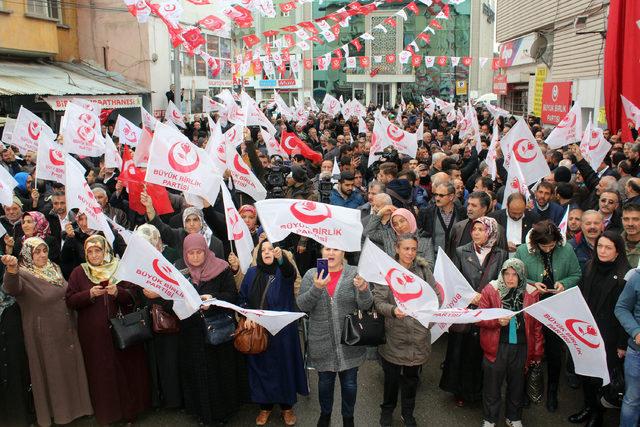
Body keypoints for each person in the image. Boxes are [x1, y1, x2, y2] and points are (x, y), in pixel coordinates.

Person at [2, 237, 93, 426]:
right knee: (54, 373)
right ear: (28, 254)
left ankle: (80, 408)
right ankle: (60, 414)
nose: (42, 255)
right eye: (37, 252)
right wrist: (11, 270)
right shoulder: (24, 274)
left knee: (71, 368)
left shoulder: (54, 268)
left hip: (67, 327)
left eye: (44, 250)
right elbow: (11, 288)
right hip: (44, 335)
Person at [66, 235, 150, 424]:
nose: (95, 255)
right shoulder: (79, 273)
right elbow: (70, 300)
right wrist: (89, 294)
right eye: (90, 251)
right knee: (101, 375)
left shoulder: (120, 267)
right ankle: (109, 415)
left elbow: (134, 296)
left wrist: (117, 293)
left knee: (127, 370)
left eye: (98, 250)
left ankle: (131, 412)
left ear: (106, 251)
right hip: (94, 337)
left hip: (122, 332)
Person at [297, 246, 373, 427]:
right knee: (324, 384)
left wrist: (363, 289)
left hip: (350, 342)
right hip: (321, 342)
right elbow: (302, 305)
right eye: (327, 249)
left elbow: (366, 305)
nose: (331, 253)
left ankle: (349, 417)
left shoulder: (354, 273)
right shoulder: (311, 274)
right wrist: (316, 288)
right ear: (321, 252)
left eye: (336, 249)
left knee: (349, 385)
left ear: (344, 253)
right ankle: (325, 413)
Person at [373, 234, 440, 427]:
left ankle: (407, 413)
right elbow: (378, 302)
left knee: (411, 380)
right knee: (391, 380)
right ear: (397, 248)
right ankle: (387, 410)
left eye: (413, 249)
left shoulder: (424, 270)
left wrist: (428, 317)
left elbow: (435, 295)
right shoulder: (387, 272)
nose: (410, 253)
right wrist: (393, 310)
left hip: (418, 335)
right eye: (406, 249)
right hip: (395, 334)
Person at [441, 217, 509, 407]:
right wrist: (469, 296)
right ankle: (459, 391)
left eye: (481, 229)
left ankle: (478, 392)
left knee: (482, 353)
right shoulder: (462, 252)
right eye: (474, 229)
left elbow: (504, 282)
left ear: (492, 232)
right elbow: (452, 279)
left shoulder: (501, 255)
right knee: (461, 352)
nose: (476, 232)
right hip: (465, 310)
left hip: (487, 311)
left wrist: (487, 297)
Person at [177, 234, 245, 425]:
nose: (196, 257)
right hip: (193, 334)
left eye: (199, 252)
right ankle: (201, 412)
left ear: (205, 251)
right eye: (191, 253)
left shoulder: (221, 268)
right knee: (198, 374)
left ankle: (223, 412)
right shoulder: (181, 273)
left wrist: (212, 300)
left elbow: (232, 296)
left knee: (219, 373)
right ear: (185, 254)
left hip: (218, 332)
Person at [238, 241, 308, 426]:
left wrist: (281, 259)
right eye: (263, 250)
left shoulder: (283, 271)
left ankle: (287, 408)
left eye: (271, 249)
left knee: (284, 368)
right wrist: (248, 315)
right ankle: (265, 407)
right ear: (259, 254)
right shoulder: (252, 273)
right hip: (258, 331)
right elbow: (242, 299)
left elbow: (290, 273)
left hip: (283, 332)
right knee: (261, 370)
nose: (267, 252)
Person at [515, 220, 582, 412]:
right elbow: (514, 276)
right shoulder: (522, 251)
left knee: (553, 351)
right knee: (528, 348)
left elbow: (577, 274)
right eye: (543, 246)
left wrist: (564, 283)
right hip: (531, 307)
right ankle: (525, 388)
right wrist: (533, 283)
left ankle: (552, 390)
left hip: (556, 307)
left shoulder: (567, 250)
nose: (547, 249)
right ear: (535, 243)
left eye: (551, 246)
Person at [570, 232, 630, 426]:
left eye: (608, 248)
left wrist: (622, 344)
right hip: (587, 331)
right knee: (586, 374)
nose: (602, 251)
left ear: (618, 252)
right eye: (600, 246)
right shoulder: (589, 267)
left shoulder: (625, 276)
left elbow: (627, 311)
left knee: (601, 377)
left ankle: (598, 414)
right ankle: (588, 407)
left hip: (609, 336)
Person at [477, 258, 543, 427]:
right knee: (492, 386)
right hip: (496, 346)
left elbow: (536, 326)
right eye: (506, 273)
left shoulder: (531, 293)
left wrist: (537, 352)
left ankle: (513, 417)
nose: (510, 278)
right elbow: (479, 319)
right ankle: (490, 419)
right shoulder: (491, 290)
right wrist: (496, 322)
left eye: (515, 274)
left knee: (517, 385)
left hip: (521, 347)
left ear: (522, 275)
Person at [135, 225, 182, 409]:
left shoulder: (170, 255)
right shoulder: (138, 260)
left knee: (170, 360)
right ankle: (157, 400)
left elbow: (177, 287)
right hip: (147, 316)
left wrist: (159, 293)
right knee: (152, 361)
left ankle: (174, 400)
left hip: (167, 316)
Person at [365, 205, 434, 268]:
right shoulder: (388, 235)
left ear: (410, 220)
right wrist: (380, 214)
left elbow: (430, 267)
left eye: (402, 221)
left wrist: (411, 260)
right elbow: (368, 233)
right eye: (395, 224)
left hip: (414, 278)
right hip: (391, 276)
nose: (399, 226)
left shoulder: (424, 239)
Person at [615, 266, 640, 427]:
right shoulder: (637, 277)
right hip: (637, 353)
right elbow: (622, 307)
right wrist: (636, 332)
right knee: (632, 400)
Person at [417, 182, 467, 256]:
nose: (437, 198)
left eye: (441, 195)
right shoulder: (426, 212)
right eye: (436, 195)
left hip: (455, 259)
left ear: (451, 197)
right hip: (433, 258)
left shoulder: (462, 212)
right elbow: (420, 236)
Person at [621, 203, 640, 267]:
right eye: (626, 219)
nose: (630, 224)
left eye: (635, 219)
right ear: (622, 220)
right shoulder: (614, 243)